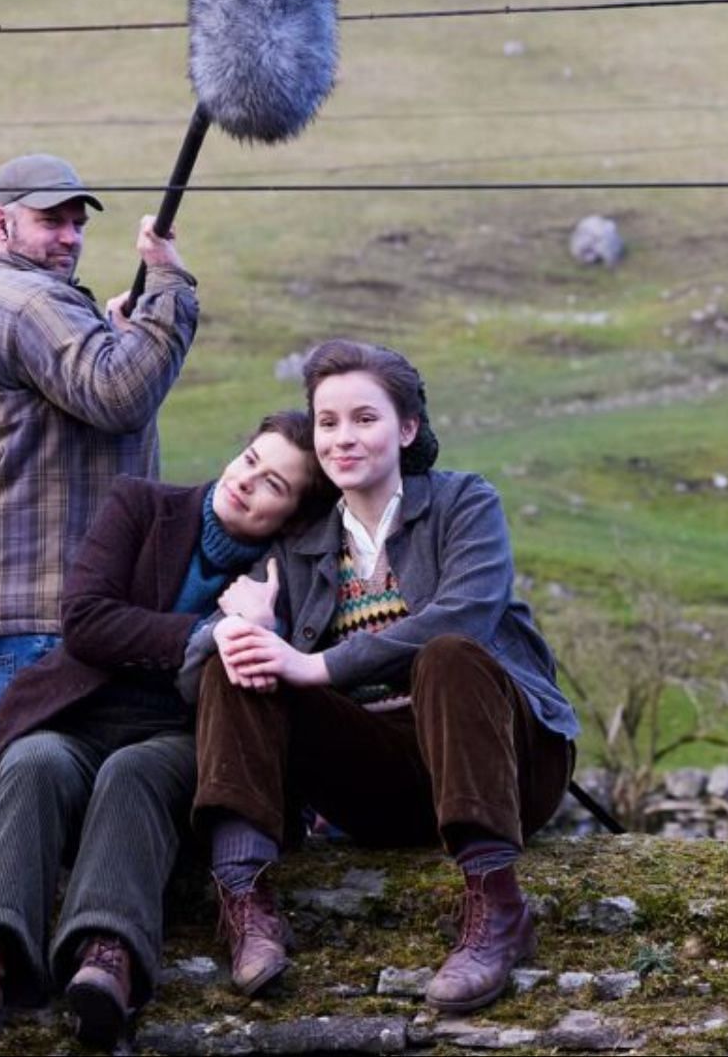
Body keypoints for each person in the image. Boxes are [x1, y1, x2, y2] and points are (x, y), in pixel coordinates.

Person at [188, 339, 581, 1014]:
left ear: (406, 429)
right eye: (328, 422)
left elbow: (468, 612)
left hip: (508, 766)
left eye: (364, 419)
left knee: (449, 651)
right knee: (240, 659)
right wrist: (239, 629)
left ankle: (496, 910)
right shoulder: (299, 546)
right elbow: (194, 671)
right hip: (379, 781)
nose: (343, 437)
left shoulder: (463, 503)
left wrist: (317, 664)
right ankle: (247, 906)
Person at [0, 411, 333, 1045]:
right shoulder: (142, 506)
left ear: (292, 517)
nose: (248, 481)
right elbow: (87, 619)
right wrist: (207, 634)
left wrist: (262, 627)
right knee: (34, 761)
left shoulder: (288, 572)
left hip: (182, 735)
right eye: (251, 460)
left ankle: (107, 959)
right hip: (80, 715)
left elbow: (275, 687)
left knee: (134, 772)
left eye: (274, 485)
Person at [0, 152, 199, 733]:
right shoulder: (27, 300)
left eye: (78, 224)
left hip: (45, 618)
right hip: (53, 622)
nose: (69, 238)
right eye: (51, 222)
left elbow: (91, 396)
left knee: (43, 808)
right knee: (49, 807)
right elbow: (118, 396)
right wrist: (167, 282)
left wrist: (118, 337)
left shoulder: (1, 298)